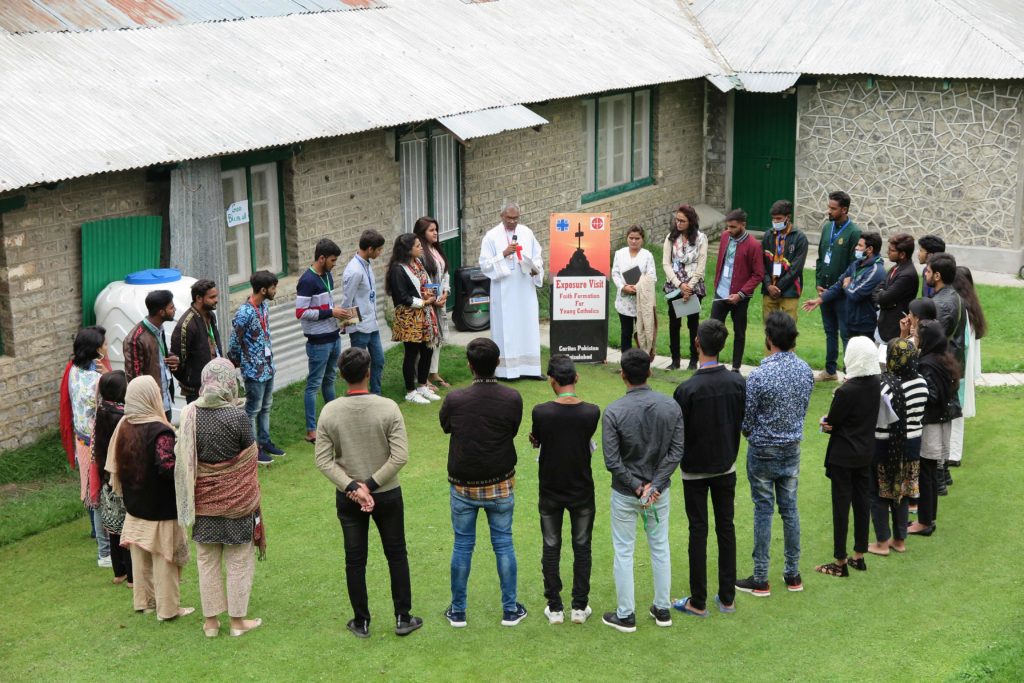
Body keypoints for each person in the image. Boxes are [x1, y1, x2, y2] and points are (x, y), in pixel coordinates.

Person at [316, 347, 422, 638]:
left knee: (355, 559)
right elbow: (399, 456)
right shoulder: (388, 407)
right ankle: (403, 617)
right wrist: (371, 486)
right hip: (387, 493)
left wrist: (353, 487)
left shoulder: (329, 411)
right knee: (396, 553)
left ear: (341, 375)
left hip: (349, 497)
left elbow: (323, 460)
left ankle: (361, 621)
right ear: (368, 372)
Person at [439, 338, 526, 628]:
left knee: (463, 545)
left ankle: (458, 611)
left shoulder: (455, 399)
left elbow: (446, 426)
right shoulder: (512, 398)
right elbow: (512, 430)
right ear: (497, 362)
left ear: (469, 365)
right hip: (499, 484)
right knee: (503, 544)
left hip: (463, 486)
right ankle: (510, 609)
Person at [174, 358, 264, 638]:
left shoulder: (190, 415)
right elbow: (251, 456)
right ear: (229, 382)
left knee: (207, 561)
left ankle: (211, 623)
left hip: (204, 502)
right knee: (238, 560)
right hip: (238, 505)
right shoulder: (237, 417)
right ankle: (238, 623)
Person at [601, 348, 684, 632]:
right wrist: (654, 486)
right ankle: (662, 609)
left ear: (622, 375)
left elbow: (612, 461)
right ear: (650, 371)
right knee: (659, 547)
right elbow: (676, 452)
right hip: (656, 492)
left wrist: (639, 488)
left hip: (627, 492)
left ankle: (626, 615)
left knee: (624, 551)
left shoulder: (614, 411)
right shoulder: (670, 406)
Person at [736, 313, 814, 597]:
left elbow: (747, 420)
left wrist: (753, 435)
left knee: (764, 510)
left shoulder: (758, 375)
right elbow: (803, 409)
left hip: (763, 451)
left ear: (769, 340)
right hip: (791, 448)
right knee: (790, 510)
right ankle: (793, 574)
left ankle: (760, 578)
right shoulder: (805, 370)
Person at [671, 319, 745, 617]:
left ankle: (698, 600)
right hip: (725, 466)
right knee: (725, 528)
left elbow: (679, 433)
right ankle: (726, 598)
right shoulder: (738, 383)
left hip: (695, 470)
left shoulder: (686, 389)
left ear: (697, 344)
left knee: (699, 530)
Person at [106, 376, 193, 621]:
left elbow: (115, 464)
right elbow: (167, 468)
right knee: (165, 559)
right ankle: (168, 609)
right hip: (160, 507)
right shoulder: (160, 430)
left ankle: (144, 603)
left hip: (135, 504)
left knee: (140, 558)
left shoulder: (124, 424)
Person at [528, 355, 601, 625]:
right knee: (582, 546)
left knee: (551, 545)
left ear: (552, 380)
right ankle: (579, 607)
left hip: (550, 489)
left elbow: (538, 437)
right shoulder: (592, 411)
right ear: (576, 378)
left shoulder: (541, 411)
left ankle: (555, 607)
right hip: (582, 489)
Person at [815, 337, 880, 577]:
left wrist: (824, 422)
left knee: (841, 506)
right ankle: (859, 555)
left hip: (843, 455)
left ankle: (840, 560)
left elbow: (832, 422)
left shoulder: (847, 391)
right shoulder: (875, 383)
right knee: (862, 502)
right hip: (865, 452)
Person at [867, 338, 927, 556]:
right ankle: (899, 540)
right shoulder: (921, 382)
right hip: (912, 445)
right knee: (901, 493)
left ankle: (882, 543)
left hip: (885, 445)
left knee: (879, 494)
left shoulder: (884, 385)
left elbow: (877, 419)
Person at [296, 238, 355, 443]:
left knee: (330, 379)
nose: (334, 264)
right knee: (314, 384)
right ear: (321, 258)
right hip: (318, 341)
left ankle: (335, 420)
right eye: (332, 260)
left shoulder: (327, 275)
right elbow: (301, 312)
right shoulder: (306, 280)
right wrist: (331, 312)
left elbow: (326, 305)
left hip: (333, 336)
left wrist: (340, 317)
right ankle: (311, 429)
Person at [479, 201, 544, 379]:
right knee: (506, 326)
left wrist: (535, 268)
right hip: (504, 289)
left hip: (524, 287)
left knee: (527, 324)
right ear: (502, 216)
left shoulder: (527, 232)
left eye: (516, 218)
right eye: (509, 218)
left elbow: (537, 255)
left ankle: (531, 369)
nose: (513, 222)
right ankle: (505, 370)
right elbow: (484, 264)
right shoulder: (491, 237)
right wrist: (503, 254)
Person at [907, 321, 961, 536]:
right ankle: (928, 519)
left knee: (926, 473)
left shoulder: (928, 363)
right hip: (940, 421)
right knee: (929, 473)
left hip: (930, 423)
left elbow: (932, 394)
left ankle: (925, 522)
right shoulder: (944, 359)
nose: (915, 338)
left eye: (918, 335)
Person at [67, 326, 111, 565]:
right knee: (99, 495)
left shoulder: (74, 371)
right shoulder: (96, 380)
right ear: (97, 349)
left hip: (82, 440)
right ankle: (105, 552)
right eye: (104, 343)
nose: (106, 346)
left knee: (93, 493)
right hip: (96, 443)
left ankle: (104, 548)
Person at [229, 270, 282, 466]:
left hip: (268, 366)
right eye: (273, 287)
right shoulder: (244, 312)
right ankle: (252, 449)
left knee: (266, 406)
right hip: (253, 370)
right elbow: (235, 340)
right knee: (253, 409)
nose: (276, 290)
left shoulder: (264, 307)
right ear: (262, 289)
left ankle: (265, 441)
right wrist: (235, 361)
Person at [386, 233, 441, 405]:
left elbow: (424, 285)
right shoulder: (398, 269)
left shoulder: (418, 263)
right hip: (409, 316)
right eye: (417, 246)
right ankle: (410, 390)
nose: (421, 248)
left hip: (425, 313)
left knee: (427, 350)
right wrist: (425, 301)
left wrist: (432, 294)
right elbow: (402, 296)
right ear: (408, 250)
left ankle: (423, 385)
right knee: (412, 352)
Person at [813, 191, 862, 381]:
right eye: (829, 207)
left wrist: (838, 288)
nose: (829, 211)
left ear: (844, 209)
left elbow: (853, 266)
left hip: (841, 293)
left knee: (845, 333)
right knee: (829, 331)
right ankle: (830, 370)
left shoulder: (854, 232)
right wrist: (818, 282)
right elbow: (820, 257)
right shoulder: (827, 228)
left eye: (833, 208)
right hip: (824, 291)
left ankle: (849, 372)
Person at [803, 232, 885, 345]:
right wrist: (819, 300)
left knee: (861, 360)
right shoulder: (857, 264)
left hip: (864, 326)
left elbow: (856, 294)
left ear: (869, 249)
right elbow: (839, 284)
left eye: (860, 246)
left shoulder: (876, 270)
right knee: (849, 359)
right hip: (851, 320)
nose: (856, 248)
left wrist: (847, 285)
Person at [710, 209, 764, 373]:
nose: (729, 230)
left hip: (740, 297)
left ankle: (735, 367)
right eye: (728, 227)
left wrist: (740, 294)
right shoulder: (726, 237)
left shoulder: (754, 245)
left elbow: (758, 274)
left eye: (733, 227)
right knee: (713, 330)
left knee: (739, 332)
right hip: (721, 292)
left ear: (743, 225)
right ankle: (712, 365)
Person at [93, 370, 132, 584]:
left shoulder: (101, 412)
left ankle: (119, 572)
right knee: (127, 525)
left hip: (106, 475)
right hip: (120, 476)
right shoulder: (121, 417)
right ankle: (132, 577)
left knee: (114, 527)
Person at [341, 229, 387, 395]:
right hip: (359, 326)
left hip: (372, 323)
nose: (380, 253)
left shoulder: (367, 264)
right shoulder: (354, 270)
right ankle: (359, 394)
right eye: (379, 249)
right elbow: (347, 300)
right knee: (358, 366)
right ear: (370, 249)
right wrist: (345, 323)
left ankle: (376, 394)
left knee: (379, 360)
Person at [948, 266, 986, 466]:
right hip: (964, 366)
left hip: (959, 365)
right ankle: (953, 452)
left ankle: (953, 453)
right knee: (956, 411)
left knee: (955, 411)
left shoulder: (961, 308)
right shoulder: (972, 307)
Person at [662, 206, 707, 369]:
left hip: (694, 286)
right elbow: (666, 263)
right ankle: (675, 360)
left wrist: (689, 287)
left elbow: (701, 264)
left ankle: (694, 360)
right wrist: (680, 285)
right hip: (675, 285)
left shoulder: (701, 238)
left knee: (693, 324)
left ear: (691, 221)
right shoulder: (670, 238)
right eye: (677, 220)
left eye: (682, 221)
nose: (678, 223)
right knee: (674, 324)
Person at [123, 289, 178, 419]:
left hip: (165, 401)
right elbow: (135, 379)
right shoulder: (135, 339)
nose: (175, 309)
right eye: (171, 307)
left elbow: (156, 355)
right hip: (150, 408)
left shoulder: (159, 328)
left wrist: (171, 358)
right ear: (161, 312)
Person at [413, 217, 452, 390]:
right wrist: (433, 298)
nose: (435, 232)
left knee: (437, 339)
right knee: (426, 339)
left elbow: (445, 274)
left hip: (439, 301)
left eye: (436, 229)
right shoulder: (419, 253)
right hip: (427, 303)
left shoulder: (437, 249)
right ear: (422, 233)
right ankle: (421, 377)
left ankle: (433, 372)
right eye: (431, 230)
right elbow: (421, 280)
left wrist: (445, 292)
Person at [170, 279, 222, 404]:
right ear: (199, 298)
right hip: (196, 389)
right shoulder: (186, 325)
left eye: (216, 296)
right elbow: (176, 361)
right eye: (212, 297)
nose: (216, 300)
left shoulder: (211, 315)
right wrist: (190, 381)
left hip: (215, 382)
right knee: (199, 422)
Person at [759, 200, 808, 323]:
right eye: (773, 219)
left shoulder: (800, 238)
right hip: (769, 290)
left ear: (788, 217)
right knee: (769, 328)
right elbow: (761, 263)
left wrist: (778, 287)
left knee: (788, 330)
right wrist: (769, 285)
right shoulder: (768, 236)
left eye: (779, 219)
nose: (775, 222)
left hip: (790, 290)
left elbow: (796, 268)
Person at [613, 225, 658, 353]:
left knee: (642, 332)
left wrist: (638, 286)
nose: (633, 241)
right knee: (626, 332)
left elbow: (652, 276)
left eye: (637, 238)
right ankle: (625, 364)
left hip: (642, 300)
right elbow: (615, 273)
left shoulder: (647, 255)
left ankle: (643, 361)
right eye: (631, 238)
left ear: (642, 239)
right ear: (627, 238)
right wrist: (623, 287)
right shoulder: (619, 254)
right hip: (624, 299)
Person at [872, 233, 920, 343]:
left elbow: (884, 297)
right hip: (883, 324)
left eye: (891, 250)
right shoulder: (895, 267)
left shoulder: (907, 274)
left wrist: (882, 296)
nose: (887, 252)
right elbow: (876, 290)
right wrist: (882, 295)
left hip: (894, 329)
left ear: (902, 254)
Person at [926, 253, 966, 372]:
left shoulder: (940, 304)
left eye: (928, 271)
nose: (925, 274)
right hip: (951, 362)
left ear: (937, 275)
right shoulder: (955, 295)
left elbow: (932, 342)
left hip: (939, 368)